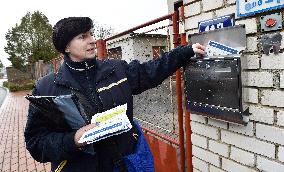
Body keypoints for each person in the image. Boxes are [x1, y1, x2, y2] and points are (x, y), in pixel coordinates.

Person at [24, 17, 205, 172]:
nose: (92, 40)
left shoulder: (115, 70)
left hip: (122, 163)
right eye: (83, 37)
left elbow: (150, 71)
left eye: (91, 34)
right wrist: (73, 140)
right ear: (66, 47)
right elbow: (36, 142)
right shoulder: (46, 88)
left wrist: (185, 52)